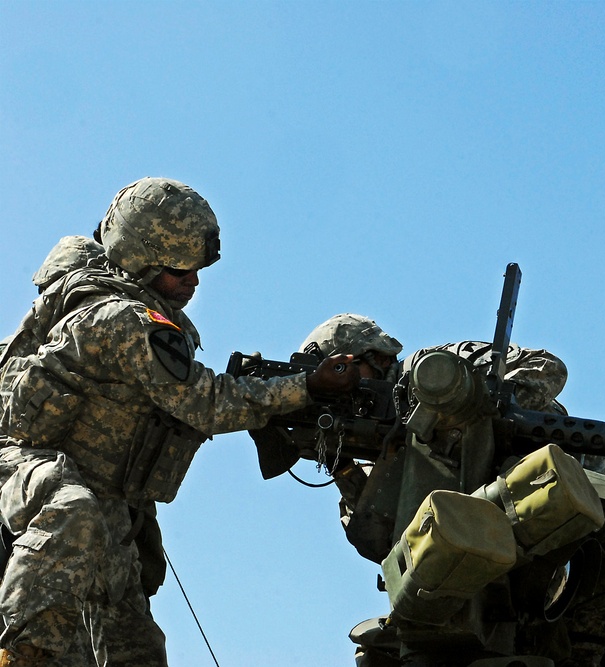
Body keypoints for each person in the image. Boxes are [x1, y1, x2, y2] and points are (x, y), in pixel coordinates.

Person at [0, 177, 357, 666]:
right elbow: (207, 403)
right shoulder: (123, 319)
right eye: (178, 269)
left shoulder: (142, 314)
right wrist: (308, 387)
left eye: (196, 269)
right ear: (140, 260)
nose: (192, 281)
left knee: (137, 645)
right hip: (35, 469)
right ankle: (24, 653)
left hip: (107, 499)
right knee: (73, 511)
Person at [254, 313, 605, 666]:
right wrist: (345, 467)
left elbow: (548, 369)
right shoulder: (374, 451)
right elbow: (384, 544)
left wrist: (473, 408)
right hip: (479, 571)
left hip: (557, 522)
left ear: (372, 356)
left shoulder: (435, 370)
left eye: (349, 371)